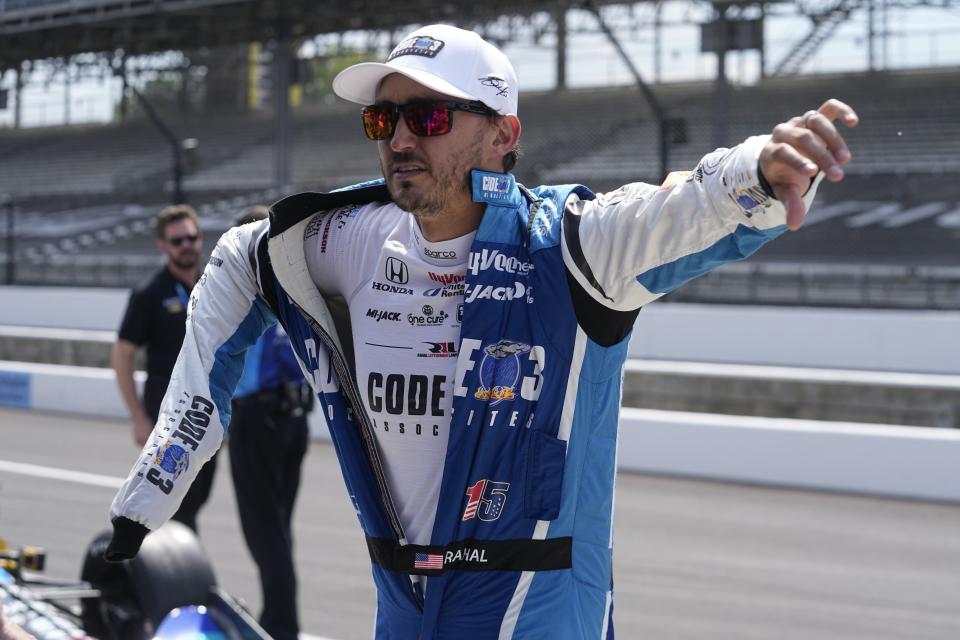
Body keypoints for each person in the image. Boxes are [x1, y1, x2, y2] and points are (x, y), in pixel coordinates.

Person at [105, 24, 858, 638]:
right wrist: (142, 508)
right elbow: (236, 267)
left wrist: (759, 171)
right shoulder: (333, 242)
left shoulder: (572, 244)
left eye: (429, 117)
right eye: (384, 118)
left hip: (536, 605)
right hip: (402, 603)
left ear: (503, 136)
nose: (400, 137)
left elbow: (684, 207)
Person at [228, 206, 311, 640]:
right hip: (294, 417)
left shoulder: (242, 287)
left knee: (265, 533)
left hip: (258, 418)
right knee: (277, 530)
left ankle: (281, 628)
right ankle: (279, 619)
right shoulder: (297, 283)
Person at [110, 204, 217, 533]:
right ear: (163, 246)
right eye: (177, 241)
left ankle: (180, 567)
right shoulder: (149, 293)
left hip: (207, 411)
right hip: (168, 418)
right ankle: (173, 574)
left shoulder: (212, 283)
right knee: (171, 505)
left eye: (191, 237)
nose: (186, 245)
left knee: (197, 498)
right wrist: (138, 418)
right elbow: (121, 354)